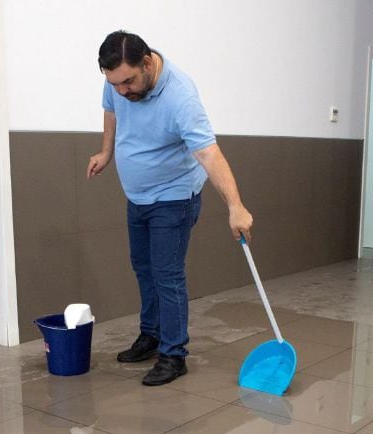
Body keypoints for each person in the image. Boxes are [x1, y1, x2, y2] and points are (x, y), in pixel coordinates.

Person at [87, 30, 253, 386]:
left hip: (174, 198)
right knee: (144, 269)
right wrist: (106, 151)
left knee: (167, 274)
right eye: (114, 83)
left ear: (147, 63)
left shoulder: (180, 95)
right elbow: (110, 110)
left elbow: (208, 152)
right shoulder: (118, 82)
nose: (122, 91)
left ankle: (174, 354)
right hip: (137, 196)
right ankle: (151, 335)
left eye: (128, 82)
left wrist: (235, 206)